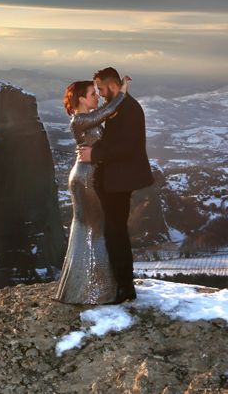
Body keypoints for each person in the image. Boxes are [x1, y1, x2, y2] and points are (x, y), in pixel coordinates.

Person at [79, 67, 154, 303]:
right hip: (114, 180)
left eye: (100, 89)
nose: (99, 94)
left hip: (118, 182)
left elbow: (126, 147)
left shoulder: (128, 109)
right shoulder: (121, 106)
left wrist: (95, 153)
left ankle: (123, 288)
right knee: (115, 232)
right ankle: (120, 284)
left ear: (112, 86)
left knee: (116, 233)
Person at [55, 74, 131, 304]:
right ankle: (93, 289)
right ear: (80, 99)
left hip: (90, 175)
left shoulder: (87, 119)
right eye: (92, 94)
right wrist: (122, 93)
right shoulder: (79, 120)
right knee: (94, 229)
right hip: (86, 178)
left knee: (93, 228)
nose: (96, 97)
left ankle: (90, 286)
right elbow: (106, 112)